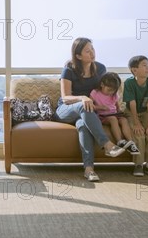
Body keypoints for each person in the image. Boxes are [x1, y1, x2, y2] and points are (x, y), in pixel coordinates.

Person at [54, 37, 126, 182]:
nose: (92, 53)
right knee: (84, 105)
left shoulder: (100, 68)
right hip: (66, 109)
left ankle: (89, 169)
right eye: (87, 51)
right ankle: (107, 144)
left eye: (92, 49)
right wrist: (82, 98)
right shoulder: (68, 70)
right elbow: (65, 97)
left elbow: (107, 90)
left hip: (87, 112)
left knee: (83, 125)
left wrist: (115, 106)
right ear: (78, 56)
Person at [123, 55, 148, 177]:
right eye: (144, 65)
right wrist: (136, 123)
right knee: (138, 133)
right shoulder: (129, 83)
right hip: (131, 112)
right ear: (134, 70)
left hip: (146, 112)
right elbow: (132, 103)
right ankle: (138, 164)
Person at [90, 72, 140, 155]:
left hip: (114, 114)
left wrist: (119, 111)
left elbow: (117, 106)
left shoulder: (114, 94)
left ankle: (130, 142)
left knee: (123, 120)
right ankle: (119, 141)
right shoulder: (95, 93)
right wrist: (100, 107)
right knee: (113, 119)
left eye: (113, 91)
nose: (110, 93)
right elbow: (90, 105)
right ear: (102, 84)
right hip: (103, 116)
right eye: (109, 90)